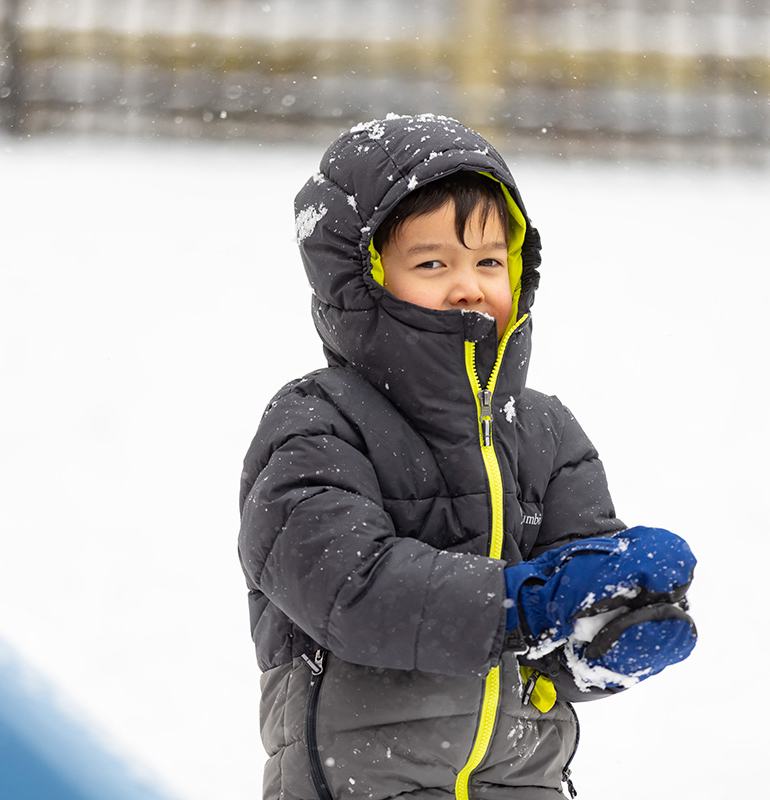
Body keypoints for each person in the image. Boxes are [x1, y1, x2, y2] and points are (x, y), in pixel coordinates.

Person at [238, 114, 697, 800]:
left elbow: (550, 651)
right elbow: (351, 592)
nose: (468, 285)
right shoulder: (315, 426)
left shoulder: (544, 432)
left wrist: (608, 635)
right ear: (360, 278)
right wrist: (522, 602)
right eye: (432, 263)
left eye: (488, 261)